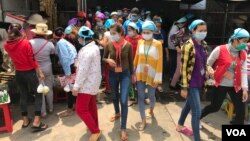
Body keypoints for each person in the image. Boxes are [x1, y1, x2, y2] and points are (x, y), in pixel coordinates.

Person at [4, 23, 48, 131]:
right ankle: (37, 122)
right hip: (30, 73)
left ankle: (25, 120)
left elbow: (13, 58)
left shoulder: (6, 45)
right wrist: (40, 72)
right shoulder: (25, 43)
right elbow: (32, 59)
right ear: (22, 31)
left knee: (23, 95)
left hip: (19, 73)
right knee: (38, 95)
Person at [200, 28, 249, 125]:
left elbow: (243, 71)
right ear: (236, 40)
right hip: (221, 83)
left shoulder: (243, 53)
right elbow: (208, 63)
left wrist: (245, 89)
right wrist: (210, 71)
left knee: (241, 110)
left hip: (236, 86)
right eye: (244, 41)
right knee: (215, 107)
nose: (246, 44)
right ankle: (198, 116)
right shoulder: (220, 49)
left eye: (247, 42)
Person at [176, 19, 208, 141]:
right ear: (193, 30)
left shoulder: (204, 44)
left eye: (205, 30)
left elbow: (205, 63)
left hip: (200, 82)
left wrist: (209, 69)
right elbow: (183, 69)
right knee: (197, 112)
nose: (203, 32)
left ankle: (179, 125)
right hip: (191, 84)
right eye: (200, 30)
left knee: (189, 105)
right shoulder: (188, 46)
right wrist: (184, 87)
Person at [103, 23, 133, 141]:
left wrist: (132, 75)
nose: (112, 35)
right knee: (114, 96)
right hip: (112, 74)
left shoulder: (128, 45)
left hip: (125, 74)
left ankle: (123, 128)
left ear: (120, 33)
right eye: (111, 33)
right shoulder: (109, 44)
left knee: (124, 100)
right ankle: (117, 112)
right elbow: (103, 58)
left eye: (114, 33)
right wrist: (108, 60)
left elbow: (131, 61)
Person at [72, 26, 102, 141]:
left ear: (82, 38)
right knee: (91, 107)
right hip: (92, 82)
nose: (78, 40)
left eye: (79, 37)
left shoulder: (87, 51)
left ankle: (95, 131)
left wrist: (76, 86)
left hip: (86, 83)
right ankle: (95, 127)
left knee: (81, 110)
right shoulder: (93, 47)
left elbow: (83, 70)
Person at [133, 21, 163, 131]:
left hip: (152, 74)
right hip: (140, 73)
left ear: (153, 32)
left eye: (148, 32)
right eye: (144, 32)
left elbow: (159, 62)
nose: (145, 34)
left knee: (151, 95)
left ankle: (151, 109)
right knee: (140, 96)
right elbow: (136, 57)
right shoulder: (140, 42)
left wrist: (158, 79)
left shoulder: (158, 44)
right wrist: (133, 72)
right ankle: (143, 119)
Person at [30, 23, 55, 117]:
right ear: (45, 34)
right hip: (48, 68)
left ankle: (43, 112)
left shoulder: (30, 43)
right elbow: (53, 54)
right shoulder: (49, 44)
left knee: (40, 90)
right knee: (49, 88)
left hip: (36, 69)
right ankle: (51, 108)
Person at [53, 27, 77, 117]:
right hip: (74, 65)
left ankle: (69, 109)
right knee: (72, 87)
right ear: (62, 35)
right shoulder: (65, 42)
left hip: (70, 66)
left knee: (70, 89)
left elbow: (65, 58)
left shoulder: (60, 43)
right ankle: (74, 106)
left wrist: (67, 73)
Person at [167, 16, 189, 90]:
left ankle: (179, 84)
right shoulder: (183, 30)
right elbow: (172, 37)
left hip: (187, 52)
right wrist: (177, 47)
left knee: (183, 69)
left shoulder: (188, 31)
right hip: (181, 52)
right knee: (179, 70)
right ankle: (173, 85)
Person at [125, 22, 142, 106]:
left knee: (139, 81)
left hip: (139, 63)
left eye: (130, 30)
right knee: (130, 81)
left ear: (135, 30)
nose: (128, 32)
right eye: (128, 30)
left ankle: (140, 98)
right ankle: (132, 98)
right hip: (129, 63)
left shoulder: (141, 39)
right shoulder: (127, 38)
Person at [153, 15, 168, 93]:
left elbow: (165, 44)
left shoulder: (162, 31)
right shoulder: (150, 31)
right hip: (152, 53)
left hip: (161, 53)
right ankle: (151, 83)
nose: (158, 26)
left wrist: (167, 54)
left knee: (159, 69)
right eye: (157, 24)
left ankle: (158, 84)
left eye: (159, 25)